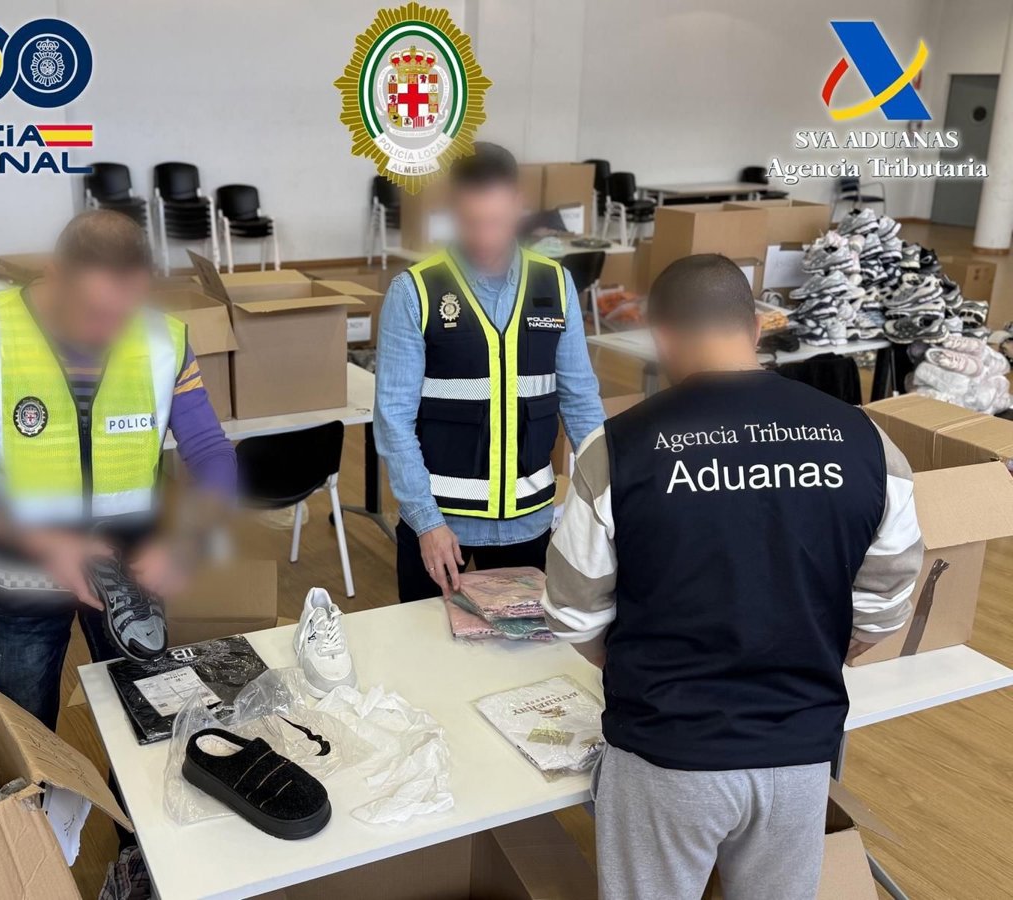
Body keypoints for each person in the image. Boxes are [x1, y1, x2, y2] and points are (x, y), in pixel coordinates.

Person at [543, 254, 923, 899]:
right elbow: (886, 606)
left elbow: (574, 614)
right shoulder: (865, 440)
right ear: (755, 326)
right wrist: (815, 650)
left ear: (662, 336)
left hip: (666, 751)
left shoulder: (617, 448)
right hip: (799, 749)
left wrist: (636, 666)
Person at [0, 210, 236, 729]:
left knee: (149, 727)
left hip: (128, 580)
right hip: (19, 570)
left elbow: (212, 452)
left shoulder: (163, 338)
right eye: (94, 311)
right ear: (54, 276)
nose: (110, 332)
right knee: (25, 732)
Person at [375, 143, 604, 602]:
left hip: (530, 523)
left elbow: (581, 402)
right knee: (428, 642)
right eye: (471, 222)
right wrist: (426, 521)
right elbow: (393, 417)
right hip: (441, 528)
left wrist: (607, 497)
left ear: (518, 206)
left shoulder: (555, 284)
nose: (483, 238)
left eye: (495, 221)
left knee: (521, 647)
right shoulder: (414, 292)